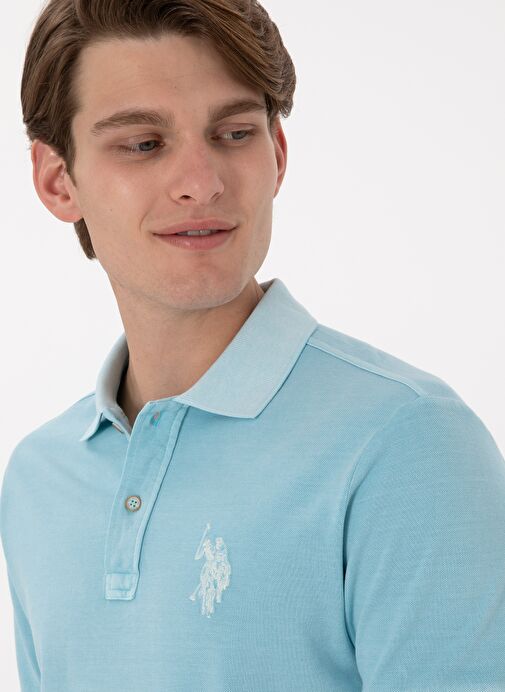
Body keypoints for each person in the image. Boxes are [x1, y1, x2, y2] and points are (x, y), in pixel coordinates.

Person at [1, 1, 504, 690]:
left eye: (234, 133)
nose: (201, 183)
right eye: (143, 144)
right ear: (58, 181)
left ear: (277, 155)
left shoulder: (405, 443)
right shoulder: (39, 478)